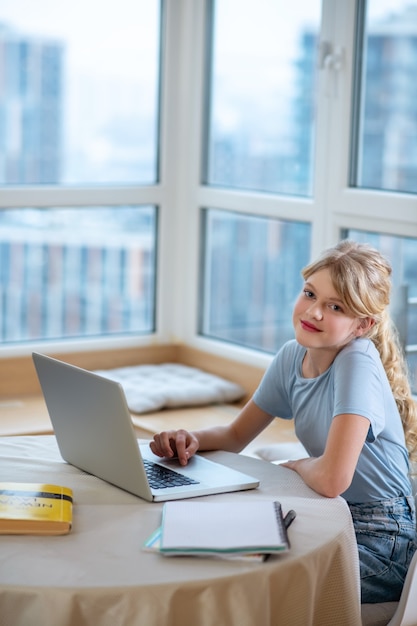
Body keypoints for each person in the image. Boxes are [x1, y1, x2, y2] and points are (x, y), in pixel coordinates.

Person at [150, 239, 417, 604]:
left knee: (253, 585)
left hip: (383, 539)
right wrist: (187, 437)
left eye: (335, 306)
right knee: (215, 555)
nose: (314, 312)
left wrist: (297, 465)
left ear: (362, 325)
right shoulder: (293, 355)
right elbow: (234, 434)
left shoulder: (358, 361)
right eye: (310, 294)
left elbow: (331, 479)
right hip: (326, 513)